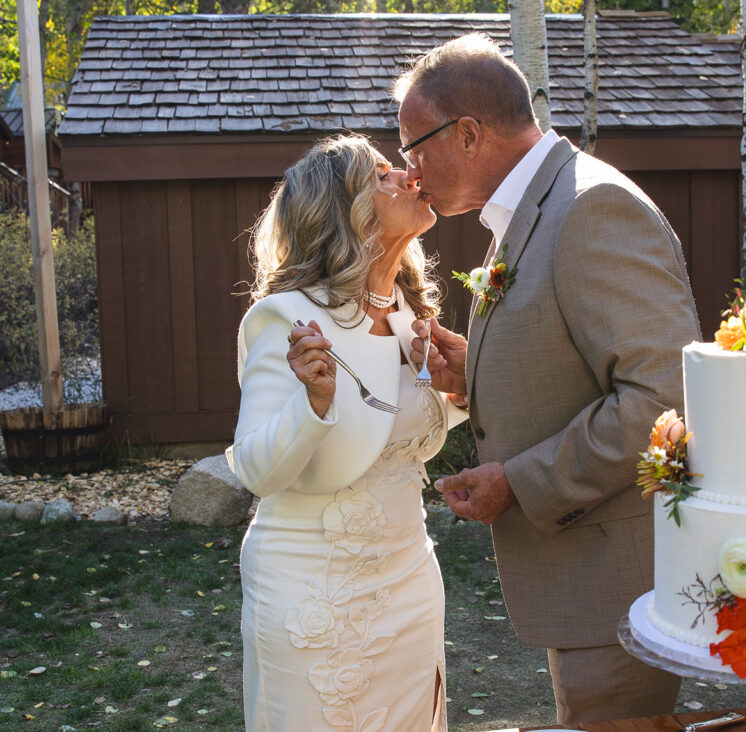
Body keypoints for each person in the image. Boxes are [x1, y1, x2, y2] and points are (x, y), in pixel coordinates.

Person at [396, 34, 702, 727]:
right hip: (585, 581)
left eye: (415, 144)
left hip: (618, 590)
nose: (409, 169)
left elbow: (663, 397)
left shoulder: (592, 207)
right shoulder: (538, 204)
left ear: (469, 134)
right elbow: (577, 362)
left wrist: (520, 482)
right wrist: (475, 372)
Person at [226, 134, 466, 731]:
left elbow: (407, 431)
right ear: (344, 213)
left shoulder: (410, 314)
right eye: (384, 175)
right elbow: (256, 470)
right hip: (312, 592)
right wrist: (313, 403)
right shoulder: (284, 317)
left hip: (410, 580)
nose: (410, 176)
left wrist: (459, 387)